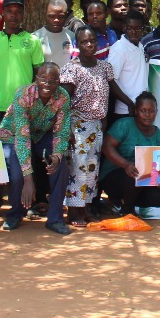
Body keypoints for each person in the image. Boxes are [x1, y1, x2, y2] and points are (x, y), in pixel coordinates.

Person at [0, 0, 44, 219]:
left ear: (23, 14)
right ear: (3, 14)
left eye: (18, 11)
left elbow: (39, 74)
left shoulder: (32, 41)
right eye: (9, 11)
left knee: (28, 157)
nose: (14, 15)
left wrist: (36, 102)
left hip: (25, 110)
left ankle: (30, 203)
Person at [60, 28, 132, 225]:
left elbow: (114, 89)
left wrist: (130, 103)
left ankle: (85, 209)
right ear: (78, 45)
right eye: (84, 42)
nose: (89, 44)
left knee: (91, 171)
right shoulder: (71, 69)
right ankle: (73, 212)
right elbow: (64, 101)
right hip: (79, 126)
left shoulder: (104, 67)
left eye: (92, 40)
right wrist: (67, 130)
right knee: (78, 169)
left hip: (98, 126)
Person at [0, 63, 73, 234]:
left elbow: (61, 131)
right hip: (14, 135)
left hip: (41, 135)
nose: (48, 84)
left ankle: (55, 219)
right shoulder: (23, 95)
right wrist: (28, 179)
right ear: (36, 79)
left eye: (53, 80)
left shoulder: (63, 97)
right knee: (18, 176)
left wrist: (57, 156)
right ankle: (15, 213)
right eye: (43, 79)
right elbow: (22, 137)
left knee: (61, 168)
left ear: (58, 82)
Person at [101, 91, 160, 216]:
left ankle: (124, 203)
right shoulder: (124, 125)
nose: (147, 115)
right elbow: (107, 147)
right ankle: (127, 210)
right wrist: (126, 164)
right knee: (135, 173)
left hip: (141, 179)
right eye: (143, 110)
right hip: (115, 176)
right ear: (135, 111)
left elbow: (159, 165)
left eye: (151, 111)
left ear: (156, 112)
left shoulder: (159, 135)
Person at [107, 11, 149, 122]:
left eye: (138, 29)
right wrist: (129, 103)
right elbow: (110, 80)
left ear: (143, 29)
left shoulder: (140, 46)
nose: (134, 32)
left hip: (139, 107)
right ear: (124, 27)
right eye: (130, 28)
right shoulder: (119, 48)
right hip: (125, 110)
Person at [33, 0, 76, 67]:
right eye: (51, 16)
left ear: (66, 16)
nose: (56, 20)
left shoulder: (72, 37)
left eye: (60, 17)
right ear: (45, 15)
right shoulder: (35, 38)